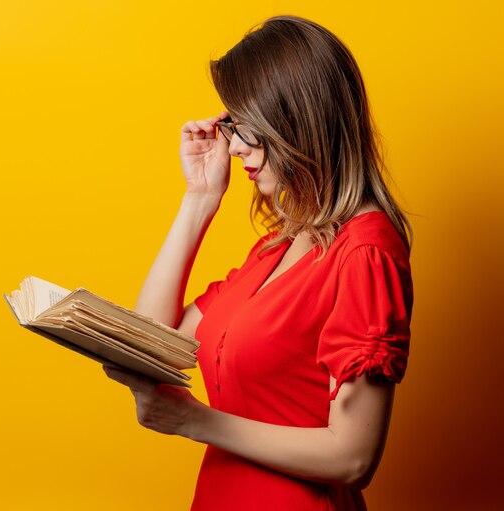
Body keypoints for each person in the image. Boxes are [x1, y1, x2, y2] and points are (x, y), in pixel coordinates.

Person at [103, 14, 414, 511]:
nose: (237, 146)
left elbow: (354, 456)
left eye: (249, 129)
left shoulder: (366, 251)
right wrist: (199, 198)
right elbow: (150, 343)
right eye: (233, 126)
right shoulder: (279, 248)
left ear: (296, 125)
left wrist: (194, 421)